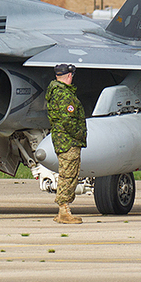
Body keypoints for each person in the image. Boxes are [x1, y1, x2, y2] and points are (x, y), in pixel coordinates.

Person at [46, 63, 86, 224]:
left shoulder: (56, 92)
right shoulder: (64, 95)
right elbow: (68, 121)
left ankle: (63, 209)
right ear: (69, 76)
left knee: (67, 173)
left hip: (62, 139)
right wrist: (79, 135)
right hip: (68, 141)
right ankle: (64, 210)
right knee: (68, 174)